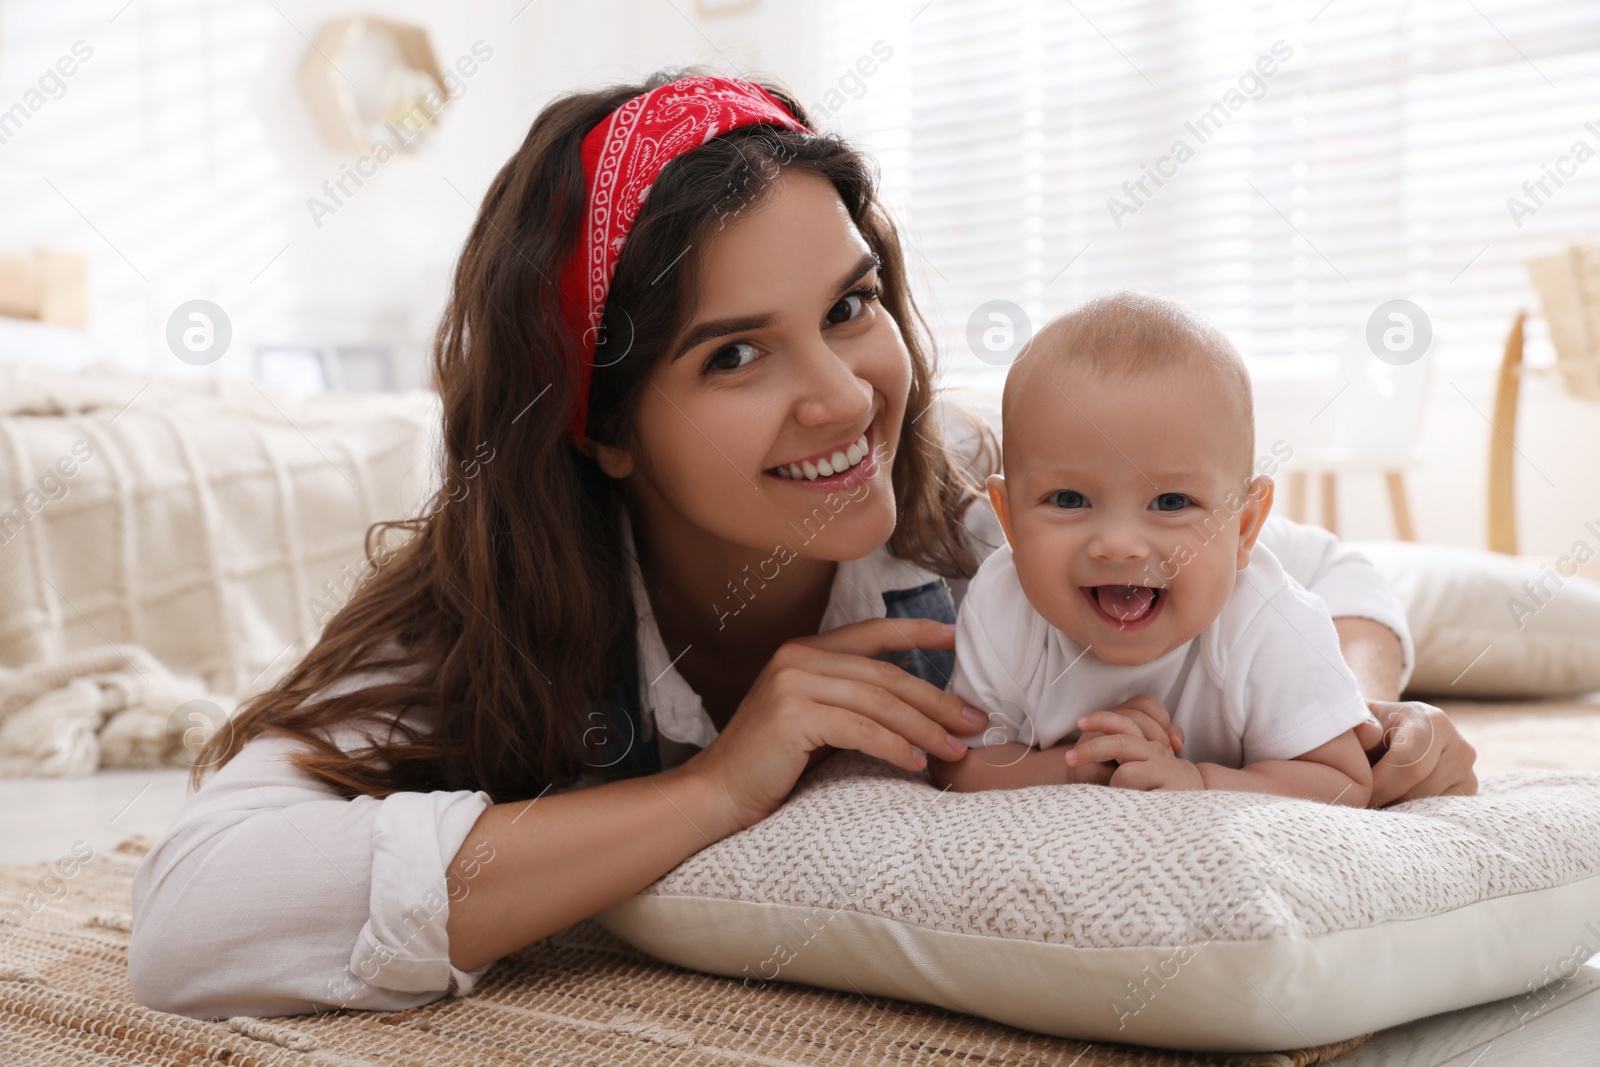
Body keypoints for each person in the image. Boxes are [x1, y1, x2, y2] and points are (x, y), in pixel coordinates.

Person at [127, 71, 1478, 1020]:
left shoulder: (959, 496)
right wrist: (718, 783)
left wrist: (1355, 706)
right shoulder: (488, 621)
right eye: (733, 353)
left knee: (1473, 608)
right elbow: (193, 917)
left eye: (851, 304)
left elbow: (1320, 570)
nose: (842, 396)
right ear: (601, 425)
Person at [932, 291, 1376, 805]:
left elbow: (1344, 781)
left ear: (1245, 526)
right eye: (1070, 499)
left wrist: (1200, 781)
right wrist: (1075, 769)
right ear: (1008, 519)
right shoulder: (1001, 605)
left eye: (1170, 501)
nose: (1118, 544)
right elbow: (962, 763)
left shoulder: (1268, 622)